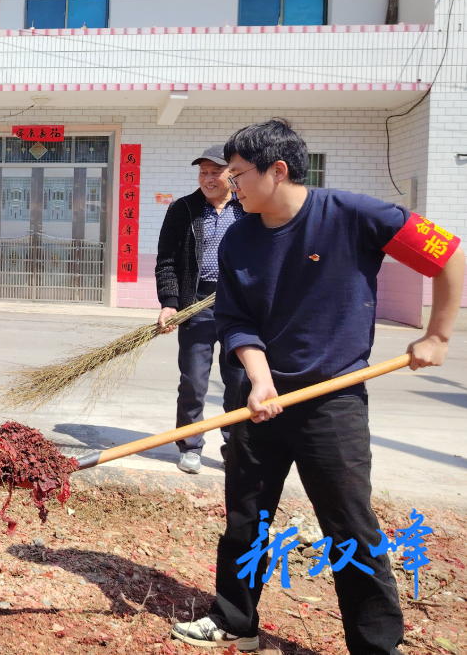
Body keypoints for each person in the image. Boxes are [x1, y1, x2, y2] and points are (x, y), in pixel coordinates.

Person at [171, 120, 464, 653]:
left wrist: (438, 333)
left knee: (351, 524)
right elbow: (236, 321)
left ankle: (377, 644)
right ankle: (237, 620)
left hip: (334, 402)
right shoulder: (240, 237)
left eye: (237, 175)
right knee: (246, 515)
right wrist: (259, 381)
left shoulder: (355, 215)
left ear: (276, 171)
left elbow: (447, 254)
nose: (230, 185)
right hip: (258, 400)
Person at [155, 144, 247, 474]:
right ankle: (190, 445)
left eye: (215, 172)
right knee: (194, 381)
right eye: (203, 172)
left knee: (239, 382)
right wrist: (169, 303)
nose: (207, 178)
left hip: (240, 308)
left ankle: (234, 446)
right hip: (198, 304)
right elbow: (166, 259)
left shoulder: (247, 208)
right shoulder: (184, 209)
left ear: (231, 174)